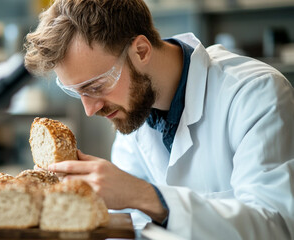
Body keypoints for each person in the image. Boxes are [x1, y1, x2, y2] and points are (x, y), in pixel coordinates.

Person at [24, 0, 294, 239]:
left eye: (95, 87)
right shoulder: (133, 117)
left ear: (141, 50)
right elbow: (133, 228)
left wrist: (143, 195)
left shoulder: (256, 93)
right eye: (77, 93)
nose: (90, 110)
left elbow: (277, 227)